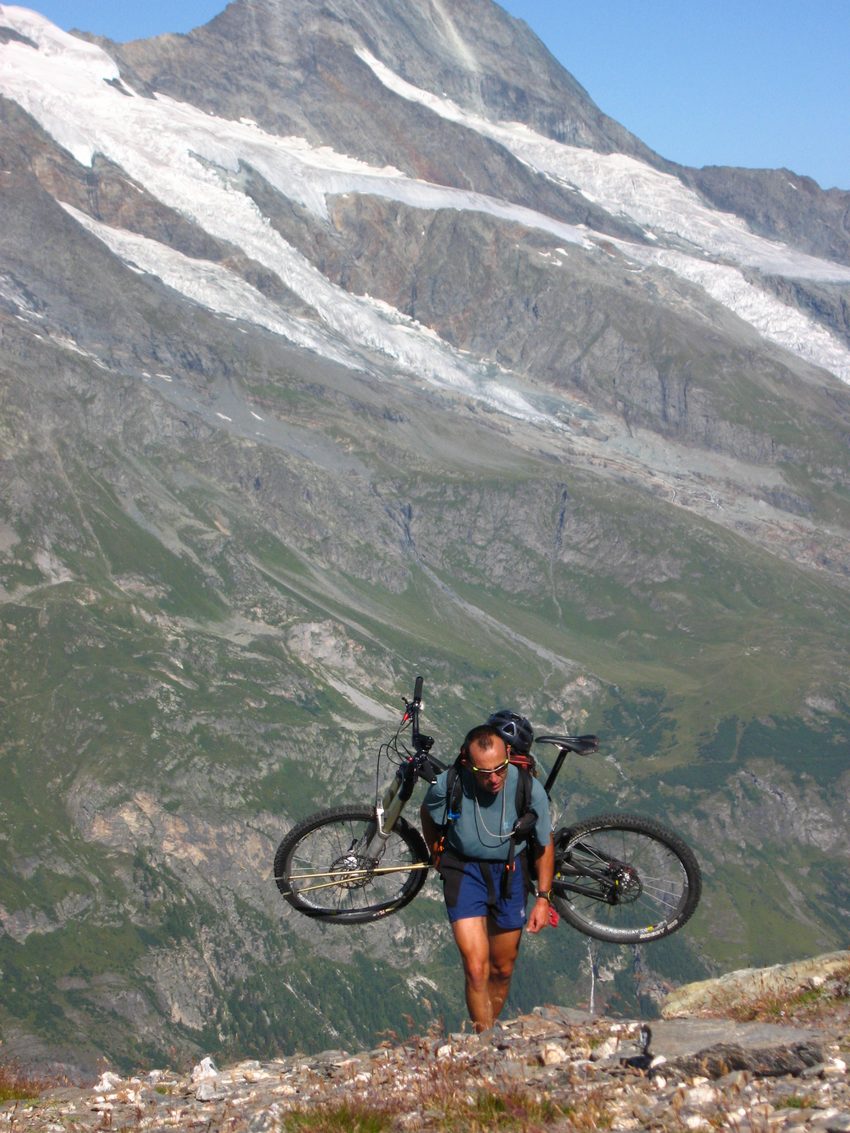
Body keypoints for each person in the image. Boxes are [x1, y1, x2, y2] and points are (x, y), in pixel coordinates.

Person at [420, 722, 554, 1032]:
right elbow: (428, 812)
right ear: (468, 762)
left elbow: (545, 844)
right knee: (476, 969)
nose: (493, 779)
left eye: (500, 769)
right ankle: (484, 1043)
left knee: (502, 969)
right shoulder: (449, 784)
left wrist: (544, 898)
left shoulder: (527, 787)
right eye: (484, 773)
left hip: (510, 872)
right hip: (463, 870)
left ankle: (489, 1030)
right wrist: (435, 852)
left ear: (509, 754)